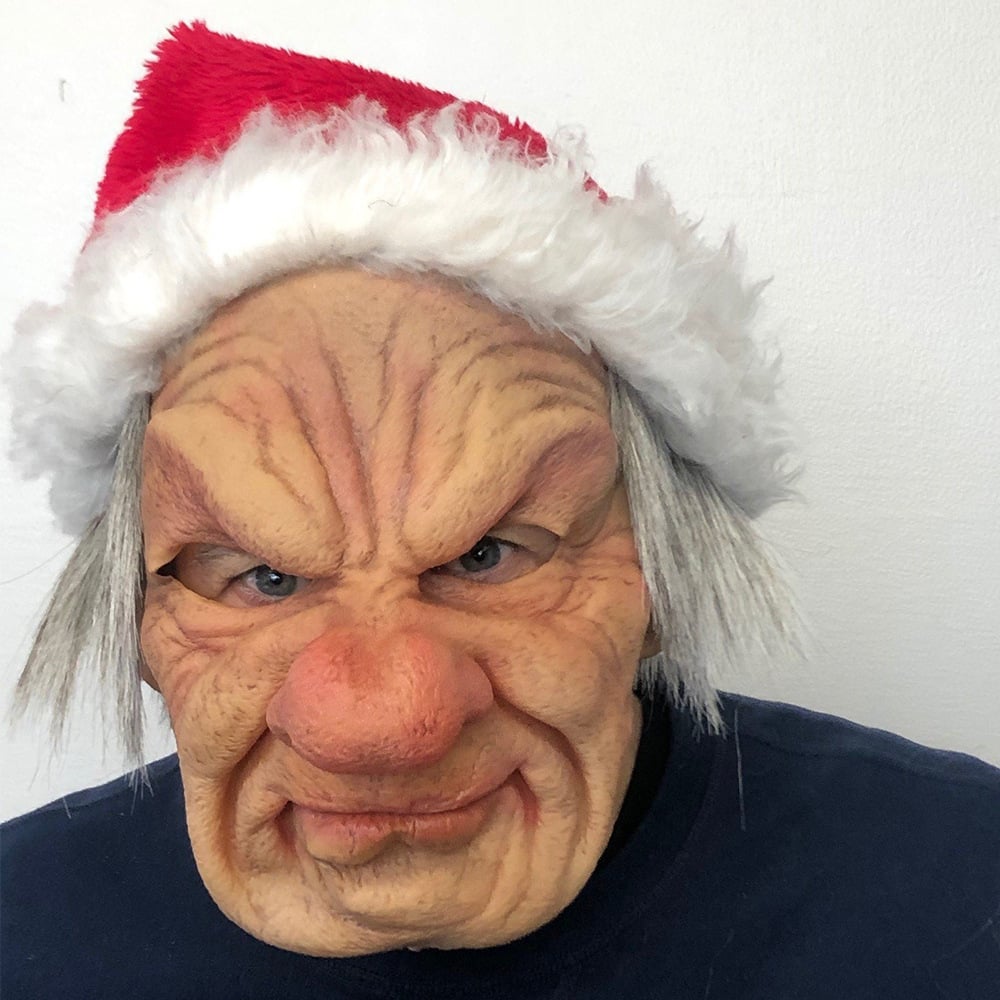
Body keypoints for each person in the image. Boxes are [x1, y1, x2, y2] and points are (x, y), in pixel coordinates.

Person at [2, 22, 998, 999]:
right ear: (138, 619)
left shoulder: (959, 886)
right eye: (262, 578)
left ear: (662, 574)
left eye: (487, 555)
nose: (378, 727)